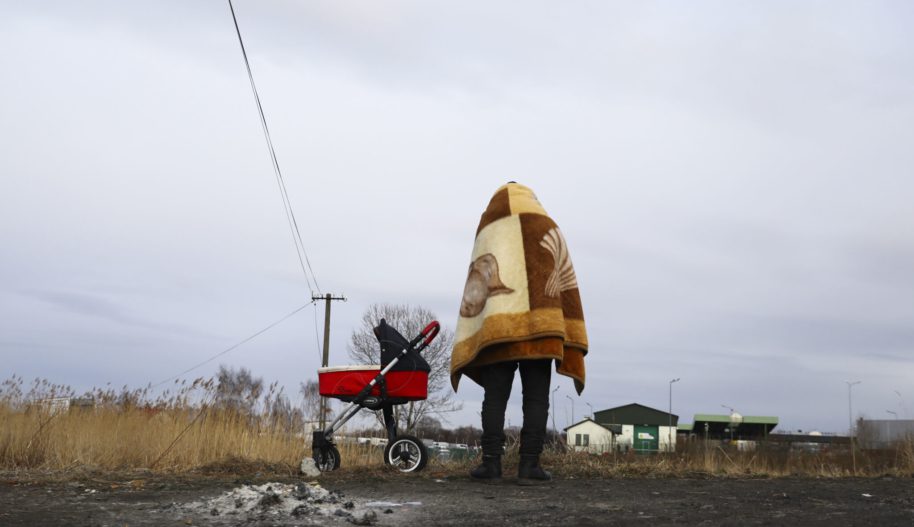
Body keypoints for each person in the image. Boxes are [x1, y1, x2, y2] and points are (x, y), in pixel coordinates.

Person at [450, 182, 588, 484]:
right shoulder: (548, 224)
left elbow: (477, 277)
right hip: (543, 328)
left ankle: (491, 465)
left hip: (501, 325)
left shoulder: (489, 227)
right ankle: (530, 467)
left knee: (495, 397)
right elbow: (565, 279)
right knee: (537, 398)